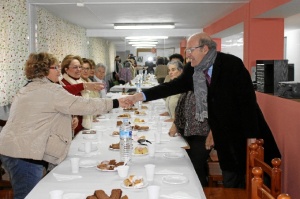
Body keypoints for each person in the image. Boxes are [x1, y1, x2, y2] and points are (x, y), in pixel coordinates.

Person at [124, 32, 281, 188]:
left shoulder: (231, 65)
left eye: (191, 50)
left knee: (256, 183)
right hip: (224, 138)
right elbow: (171, 87)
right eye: (187, 51)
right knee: (231, 180)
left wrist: (251, 140)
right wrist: (140, 96)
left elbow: (248, 104)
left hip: (247, 135)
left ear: (205, 49)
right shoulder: (194, 70)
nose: (188, 55)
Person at [0, 52, 130, 199]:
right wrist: (116, 102)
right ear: (43, 70)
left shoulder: (29, 87)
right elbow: (82, 105)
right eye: (55, 67)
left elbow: (41, 116)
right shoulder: (50, 90)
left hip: (13, 148)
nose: (59, 71)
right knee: (29, 195)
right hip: (24, 152)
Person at [170, 90, 212, 186]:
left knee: (195, 167)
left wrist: (212, 134)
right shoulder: (190, 81)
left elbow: (218, 110)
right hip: (188, 132)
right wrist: (176, 124)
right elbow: (181, 105)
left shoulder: (210, 82)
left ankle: (201, 192)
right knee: (192, 166)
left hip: (203, 133)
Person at [60, 55, 103, 135]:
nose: (79, 70)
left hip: (82, 128)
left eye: (80, 67)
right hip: (70, 131)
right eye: (75, 67)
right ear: (66, 69)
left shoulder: (79, 81)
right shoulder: (63, 83)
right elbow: (67, 96)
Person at [81, 58, 100, 129]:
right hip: (84, 123)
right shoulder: (79, 84)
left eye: (88, 68)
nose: (85, 71)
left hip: (93, 118)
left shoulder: (90, 82)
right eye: (83, 68)